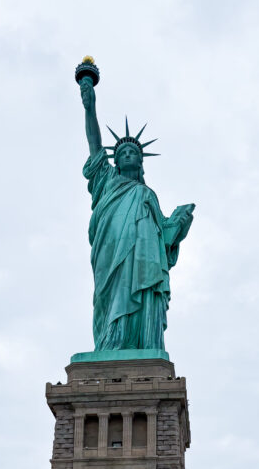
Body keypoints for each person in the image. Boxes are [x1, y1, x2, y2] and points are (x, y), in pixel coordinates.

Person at [78, 73, 194, 351]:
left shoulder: (147, 194)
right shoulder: (106, 181)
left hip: (144, 257)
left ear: (141, 162)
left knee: (144, 291)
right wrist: (90, 107)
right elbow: (94, 144)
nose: (129, 154)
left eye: (134, 153)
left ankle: (142, 343)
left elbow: (164, 237)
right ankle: (112, 343)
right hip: (111, 251)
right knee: (111, 297)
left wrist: (179, 224)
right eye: (123, 153)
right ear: (116, 161)